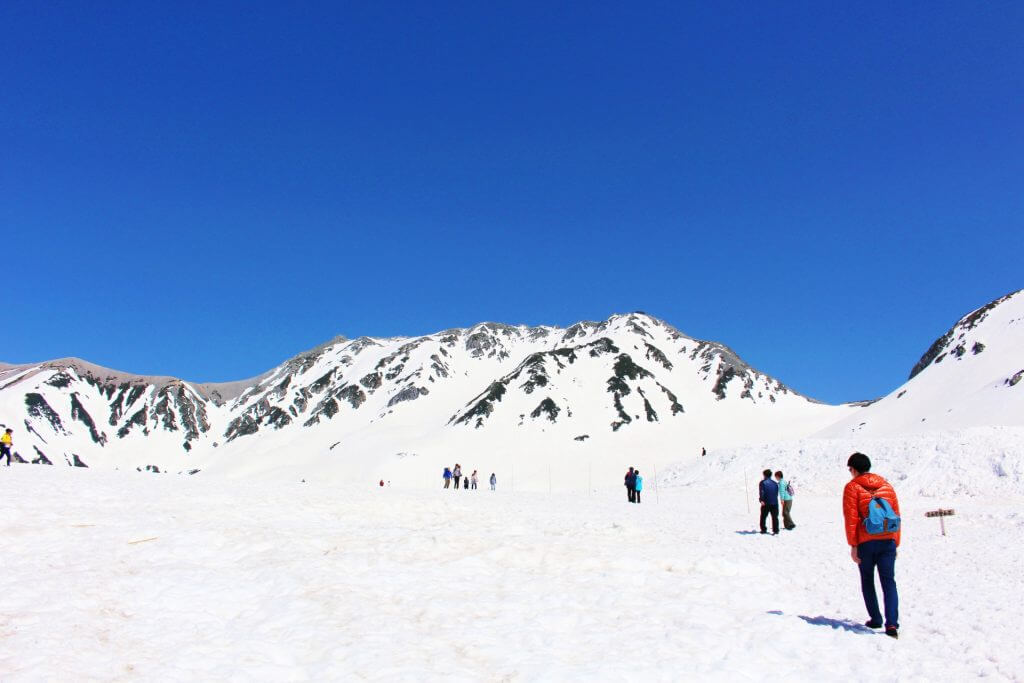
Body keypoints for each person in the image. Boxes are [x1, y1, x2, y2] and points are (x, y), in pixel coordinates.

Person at [844, 452, 901, 639]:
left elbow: (851, 518)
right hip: (888, 541)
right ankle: (891, 623)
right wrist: (896, 542)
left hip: (865, 542)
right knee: (889, 581)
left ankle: (876, 618)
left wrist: (853, 545)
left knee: (868, 580)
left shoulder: (852, 487)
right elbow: (897, 514)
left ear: (854, 469)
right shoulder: (886, 486)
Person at [758, 469, 779, 535]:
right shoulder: (775, 483)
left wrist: (761, 500)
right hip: (774, 502)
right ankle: (776, 530)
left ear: (764, 475)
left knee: (763, 517)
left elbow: (762, 492)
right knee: (775, 517)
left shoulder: (762, 482)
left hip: (766, 502)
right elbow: (776, 492)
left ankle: (763, 529)